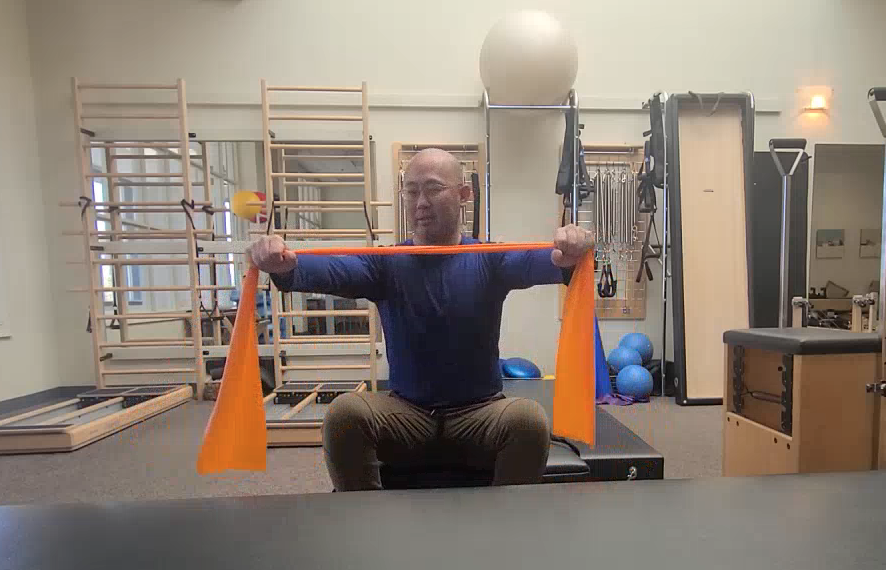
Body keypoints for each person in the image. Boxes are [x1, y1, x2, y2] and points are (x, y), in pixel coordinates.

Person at [248, 148, 593, 491]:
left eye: (432, 188)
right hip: (406, 416)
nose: (420, 202)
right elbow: (333, 269)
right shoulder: (386, 263)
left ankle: (503, 530)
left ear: (463, 195)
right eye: (411, 191)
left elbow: (546, 261)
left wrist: (571, 250)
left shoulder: (489, 259)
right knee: (344, 415)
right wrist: (286, 265)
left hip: (479, 415)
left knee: (529, 420)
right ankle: (366, 521)